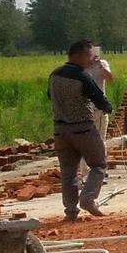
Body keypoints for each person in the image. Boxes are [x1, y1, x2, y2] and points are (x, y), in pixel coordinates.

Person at [49, 39, 113, 220]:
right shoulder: (82, 76)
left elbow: (49, 96)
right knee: (98, 164)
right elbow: (99, 99)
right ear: (78, 55)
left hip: (60, 131)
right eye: (88, 55)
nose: (90, 59)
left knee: (68, 172)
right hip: (83, 129)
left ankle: (70, 211)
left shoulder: (54, 74)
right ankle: (87, 198)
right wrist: (108, 108)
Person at [86, 47, 114, 138]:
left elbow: (110, 78)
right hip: (85, 109)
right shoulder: (82, 66)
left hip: (99, 107)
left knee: (100, 139)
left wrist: (100, 66)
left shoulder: (102, 63)